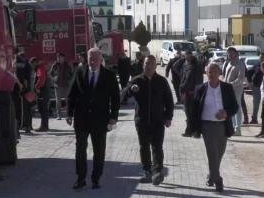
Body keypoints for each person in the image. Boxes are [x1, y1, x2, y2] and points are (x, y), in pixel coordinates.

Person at [66, 47, 121, 190]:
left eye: (95, 58)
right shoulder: (80, 71)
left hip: (100, 119)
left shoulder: (109, 75)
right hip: (81, 118)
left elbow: (115, 98)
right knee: (80, 149)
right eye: (90, 58)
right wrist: (69, 113)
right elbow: (71, 93)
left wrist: (113, 117)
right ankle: (81, 178)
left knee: (99, 150)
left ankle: (96, 178)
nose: (92, 61)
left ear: (101, 59)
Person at [122, 55, 174, 185]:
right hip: (142, 121)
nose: (149, 66)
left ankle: (157, 172)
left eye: (151, 63)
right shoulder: (136, 80)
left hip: (158, 121)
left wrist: (168, 117)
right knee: (144, 147)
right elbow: (123, 94)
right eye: (146, 63)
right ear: (143, 65)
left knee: (157, 147)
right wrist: (130, 90)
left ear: (155, 66)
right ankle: (147, 171)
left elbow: (169, 100)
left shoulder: (162, 81)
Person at [190, 62, 238, 192]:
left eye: (214, 72)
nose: (211, 74)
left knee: (219, 153)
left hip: (223, 125)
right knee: (212, 153)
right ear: (206, 73)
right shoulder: (201, 89)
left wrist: (226, 113)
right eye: (209, 72)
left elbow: (235, 106)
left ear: (219, 73)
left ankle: (211, 175)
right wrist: (193, 128)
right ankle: (218, 180)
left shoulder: (227, 88)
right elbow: (194, 110)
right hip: (207, 125)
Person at [222, 47, 247, 136]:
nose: (230, 55)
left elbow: (240, 79)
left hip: (236, 90)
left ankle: (238, 129)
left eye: (232, 53)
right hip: (227, 90)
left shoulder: (240, 64)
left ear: (236, 54)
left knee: (237, 108)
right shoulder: (228, 64)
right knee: (230, 109)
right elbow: (225, 77)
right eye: (229, 53)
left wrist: (230, 85)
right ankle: (232, 127)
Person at [179, 50, 204, 137]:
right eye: (186, 56)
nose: (187, 57)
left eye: (189, 55)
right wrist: (181, 59)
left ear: (192, 56)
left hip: (193, 93)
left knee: (194, 113)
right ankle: (189, 131)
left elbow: (199, 81)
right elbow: (175, 68)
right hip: (186, 93)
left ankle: (196, 132)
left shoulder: (196, 66)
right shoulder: (185, 65)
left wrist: (196, 91)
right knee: (188, 113)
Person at [49, 53, 74, 120]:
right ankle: (59, 115)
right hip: (57, 85)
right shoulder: (55, 65)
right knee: (58, 101)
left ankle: (67, 115)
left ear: (63, 58)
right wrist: (54, 79)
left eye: (60, 57)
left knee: (67, 100)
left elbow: (72, 74)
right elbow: (51, 73)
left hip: (66, 85)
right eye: (58, 57)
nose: (59, 59)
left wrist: (69, 80)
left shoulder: (67, 65)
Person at [15, 47, 33, 134]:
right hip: (24, 87)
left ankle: (25, 125)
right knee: (26, 108)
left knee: (22, 107)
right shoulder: (26, 62)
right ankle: (27, 126)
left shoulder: (17, 61)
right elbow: (28, 77)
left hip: (20, 87)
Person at [31, 58, 51, 132]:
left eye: (32, 64)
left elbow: (41, 79)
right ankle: (44, 125)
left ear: (34, 63)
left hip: (42, 91)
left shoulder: (39, 68)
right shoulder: (42, 67)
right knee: (44, 109)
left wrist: (36, 87)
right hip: (45, 91)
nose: (32, 67)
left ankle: (44, 126)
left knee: (42, 109)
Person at [249, 57, 264, 126]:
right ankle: (254, 118)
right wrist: (250, 82)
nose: (262, 59)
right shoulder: (257, 66)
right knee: (256, 104)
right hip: (257, 87)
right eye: (261, 58)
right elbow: (249, 73)